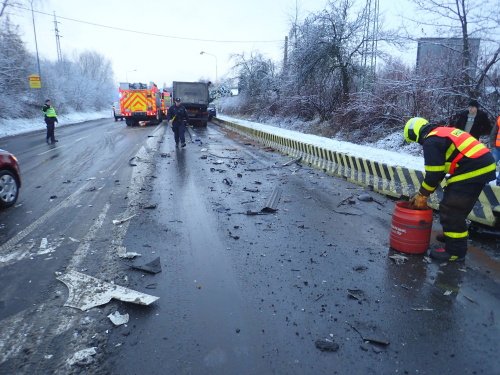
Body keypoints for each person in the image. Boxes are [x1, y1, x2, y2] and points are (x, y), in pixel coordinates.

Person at [404, 117, 496, 262]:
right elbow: (439, 171)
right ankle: (451, 236)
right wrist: (426, 192)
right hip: (481, 164)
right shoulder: (441, 133)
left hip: (473, 167)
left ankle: (455, 252)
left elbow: (433, 174)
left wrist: (422, 195)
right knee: (456, 203)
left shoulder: (431, 141)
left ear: (414, 133)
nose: (419, 143)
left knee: (451, 208)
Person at [489, 112, 500, 186]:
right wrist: (492, 144)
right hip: (497, 147)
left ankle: (499, 182)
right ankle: (485, 179)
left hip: (496, 147)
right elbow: (494, 132)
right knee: (491, 164)